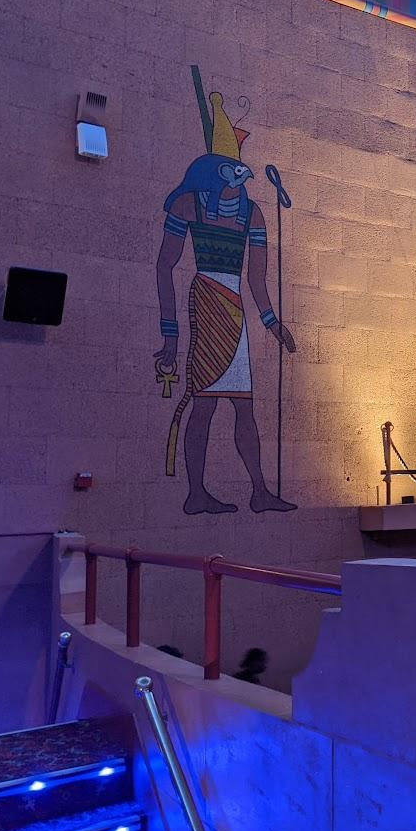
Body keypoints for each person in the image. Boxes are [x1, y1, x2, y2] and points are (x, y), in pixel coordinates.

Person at [155, 86, 296, 515]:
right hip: (207, 303)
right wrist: (170, 335)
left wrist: (272, 323)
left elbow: (256, 278)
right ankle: (196, 492)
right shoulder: (188, 206)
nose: (242, 177)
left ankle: (259, 491)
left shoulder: (253, 213)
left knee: (243, 405)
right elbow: (165, 266)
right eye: (233, 170)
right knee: (204, 404)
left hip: (234, 310)